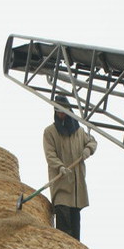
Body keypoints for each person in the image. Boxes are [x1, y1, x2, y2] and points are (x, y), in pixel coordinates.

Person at [42, 95, 97, 240]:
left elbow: (92, 142)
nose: (61, 114)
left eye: (63, 111)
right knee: (63, 226)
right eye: (58, 111)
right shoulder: (50, 132)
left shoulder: (79, 132)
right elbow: (50, 155)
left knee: (75, 230)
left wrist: (88, 150)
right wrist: (60, 167)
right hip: (61, 186)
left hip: (76, 189)